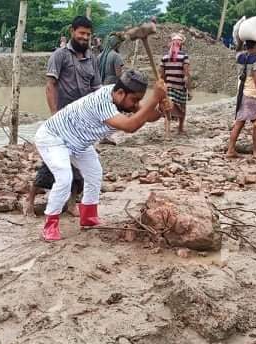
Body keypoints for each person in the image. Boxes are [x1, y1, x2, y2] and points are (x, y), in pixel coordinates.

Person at [35, 70, 168, 241]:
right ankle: (50, 225)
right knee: (64, 178)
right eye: (134, 100)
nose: (136, 104)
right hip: (53, 137)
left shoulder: (122, 96)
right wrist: (155, 99)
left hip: (79, 142)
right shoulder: (102, 101)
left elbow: (146, 115)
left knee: (94, 173)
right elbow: (130, 126)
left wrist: (160, 110)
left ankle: (88, 217)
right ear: (120, 93)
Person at [24, 16, 100, 218]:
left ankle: (72, 203)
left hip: (83, 121)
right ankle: (30, 200)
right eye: (81, 33)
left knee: (81, 165)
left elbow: (96, 89)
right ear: (72, 32)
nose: (84, 37)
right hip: (62, 121)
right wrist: (54, 114)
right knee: (53, 164)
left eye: (88, 34)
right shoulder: (60, 56)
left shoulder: (92, 59)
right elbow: (51, 86)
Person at [226, 40, 256, 159]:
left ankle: (230, 150)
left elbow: (238, 48)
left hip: (241, 93)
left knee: (240, 122)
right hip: (252, 94)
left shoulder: (240, 57)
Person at [159, 33, 191, 135]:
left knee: (167, 109)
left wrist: (162, 87)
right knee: (182, 108)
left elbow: (161, 75)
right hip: (180, 87)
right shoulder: (184, 56)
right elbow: (186, 76)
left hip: (168, 87)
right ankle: (180, 128)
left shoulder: (164, 57)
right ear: (181, 45)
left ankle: (167, 132)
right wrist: (189, 91)